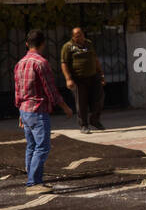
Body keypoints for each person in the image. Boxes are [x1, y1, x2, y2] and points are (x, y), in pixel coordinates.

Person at [14, 29, 73, 193]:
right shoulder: (40, 63)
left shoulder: (19, 63)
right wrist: (65, 107)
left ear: (27, 44)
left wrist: (20, 112)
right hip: (38, 110)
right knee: (42, 147)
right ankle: (33, 183)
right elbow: (51, 90)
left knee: (31, 146)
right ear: (43, 44)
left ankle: (32, 178)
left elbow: (18, 91)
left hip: (25, 110)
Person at [60, 26, 105, 133]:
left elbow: (95, 59)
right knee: (81, 103)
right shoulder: (68, 47)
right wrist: (68, 79)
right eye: (78, 36)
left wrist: (101, 74)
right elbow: (64, 64)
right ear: (73, 37)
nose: (81, 37)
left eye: (82, 35)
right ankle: (83, 125)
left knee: (99, 99)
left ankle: (94, 120)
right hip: (79, 79)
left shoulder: (88, 43)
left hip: (93, 76)